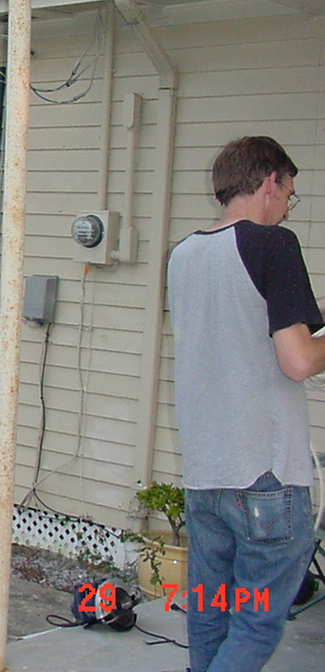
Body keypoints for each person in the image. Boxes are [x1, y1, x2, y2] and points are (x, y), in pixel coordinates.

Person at [166, 136, 325, 672]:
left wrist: (310, 309)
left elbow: (243, 325)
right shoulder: (273, 244)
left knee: (211, 611)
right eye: (290, 194)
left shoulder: (184, 255)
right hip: (266, 477)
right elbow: (298, 360)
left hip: (207, 477)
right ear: (269, 182)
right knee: (255, 621)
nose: (286, 206)